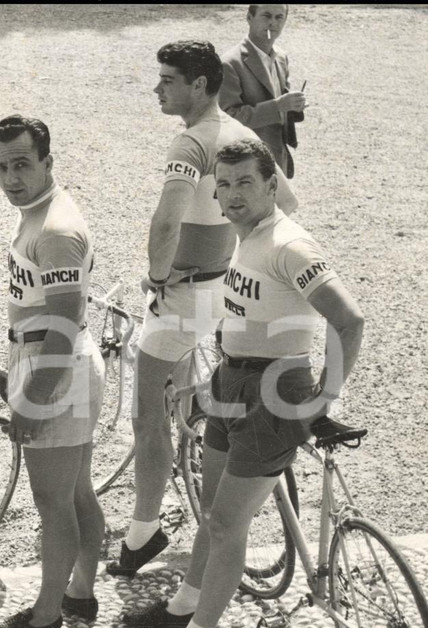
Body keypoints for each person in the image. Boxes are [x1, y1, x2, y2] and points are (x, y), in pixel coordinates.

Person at [128, 138, 364, 628]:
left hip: (273, 393)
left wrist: (325, 397)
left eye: (245, 183)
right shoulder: (249, 236)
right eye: (224, 185)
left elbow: (350, 320)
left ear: (271, 185)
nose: (232, 195)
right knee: (211, 509)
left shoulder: (289, 245)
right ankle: (185, 602)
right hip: (232, 380)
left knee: (229, 522)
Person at [107, 40, 297, 579]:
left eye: (167, 79)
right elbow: (287, 204)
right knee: (193, 393)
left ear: (198, 85)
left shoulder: (189, 143)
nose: (157, 88)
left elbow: (166, 224)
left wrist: (158, 276)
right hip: (228, 286)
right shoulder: (244, 136)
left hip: (186, 292)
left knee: (146, 416)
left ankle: (143, 529)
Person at [0, 115, 106, 628]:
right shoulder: (38, 211)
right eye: (2, 166)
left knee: (53, 502)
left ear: (48, 163)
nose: (11, 178)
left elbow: (61, 327)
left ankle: (46, 614)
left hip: (54, 367)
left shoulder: (55, 231)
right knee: (77, 492)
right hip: (57, 363)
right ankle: (79, 592)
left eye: (23, 165)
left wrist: (31, 400)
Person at [219, 4, 305, 178]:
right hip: (246, 161)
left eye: (279, 17)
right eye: (266, 16)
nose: (272, 23)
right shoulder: (229, 63)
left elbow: (280, 100)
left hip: (278, 157)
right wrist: (278, 106)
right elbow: (229, 118)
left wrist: (295, 106)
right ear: (249, 18)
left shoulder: (281, 57)